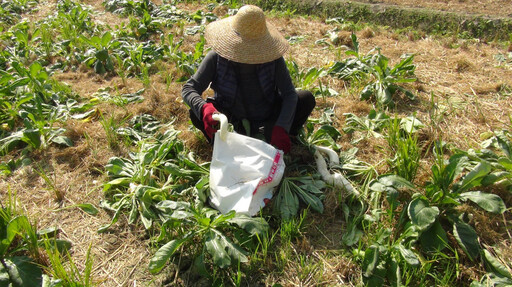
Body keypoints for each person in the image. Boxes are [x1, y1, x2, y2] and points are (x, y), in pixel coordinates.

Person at [182, 5, 315, 154]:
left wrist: (281, 127)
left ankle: (279, 137)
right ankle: (224, 143)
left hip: (267, 117)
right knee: (195, 113)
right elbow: (189, 88)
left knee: (305, 99)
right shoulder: (216, 58)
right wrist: (204, 108)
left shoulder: (273, 58)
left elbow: (289, 94)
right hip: (231, 119)